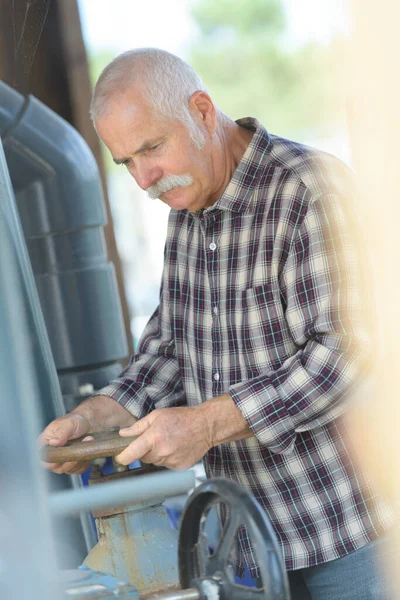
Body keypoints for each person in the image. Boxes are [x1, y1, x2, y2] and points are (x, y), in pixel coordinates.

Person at [40, 48, 395, 599]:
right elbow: (169, 350)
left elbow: (346, 355)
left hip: (346, 536)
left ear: (203, 111)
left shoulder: (308, 189)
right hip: (242, 541)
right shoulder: (184, 211)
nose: (143, 178)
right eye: (126, 162)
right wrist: (96, 417)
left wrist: (205, 424)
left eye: (151, 148)